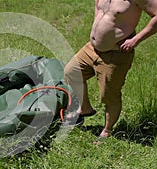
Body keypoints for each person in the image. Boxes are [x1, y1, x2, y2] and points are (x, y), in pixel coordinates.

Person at [64, 0, 157, 142]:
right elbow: (98, 6)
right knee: (71, 72)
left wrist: (136, 40)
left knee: (109, 96)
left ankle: (107, 131)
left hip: (115, 55)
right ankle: (85, 109)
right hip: (92, 49)